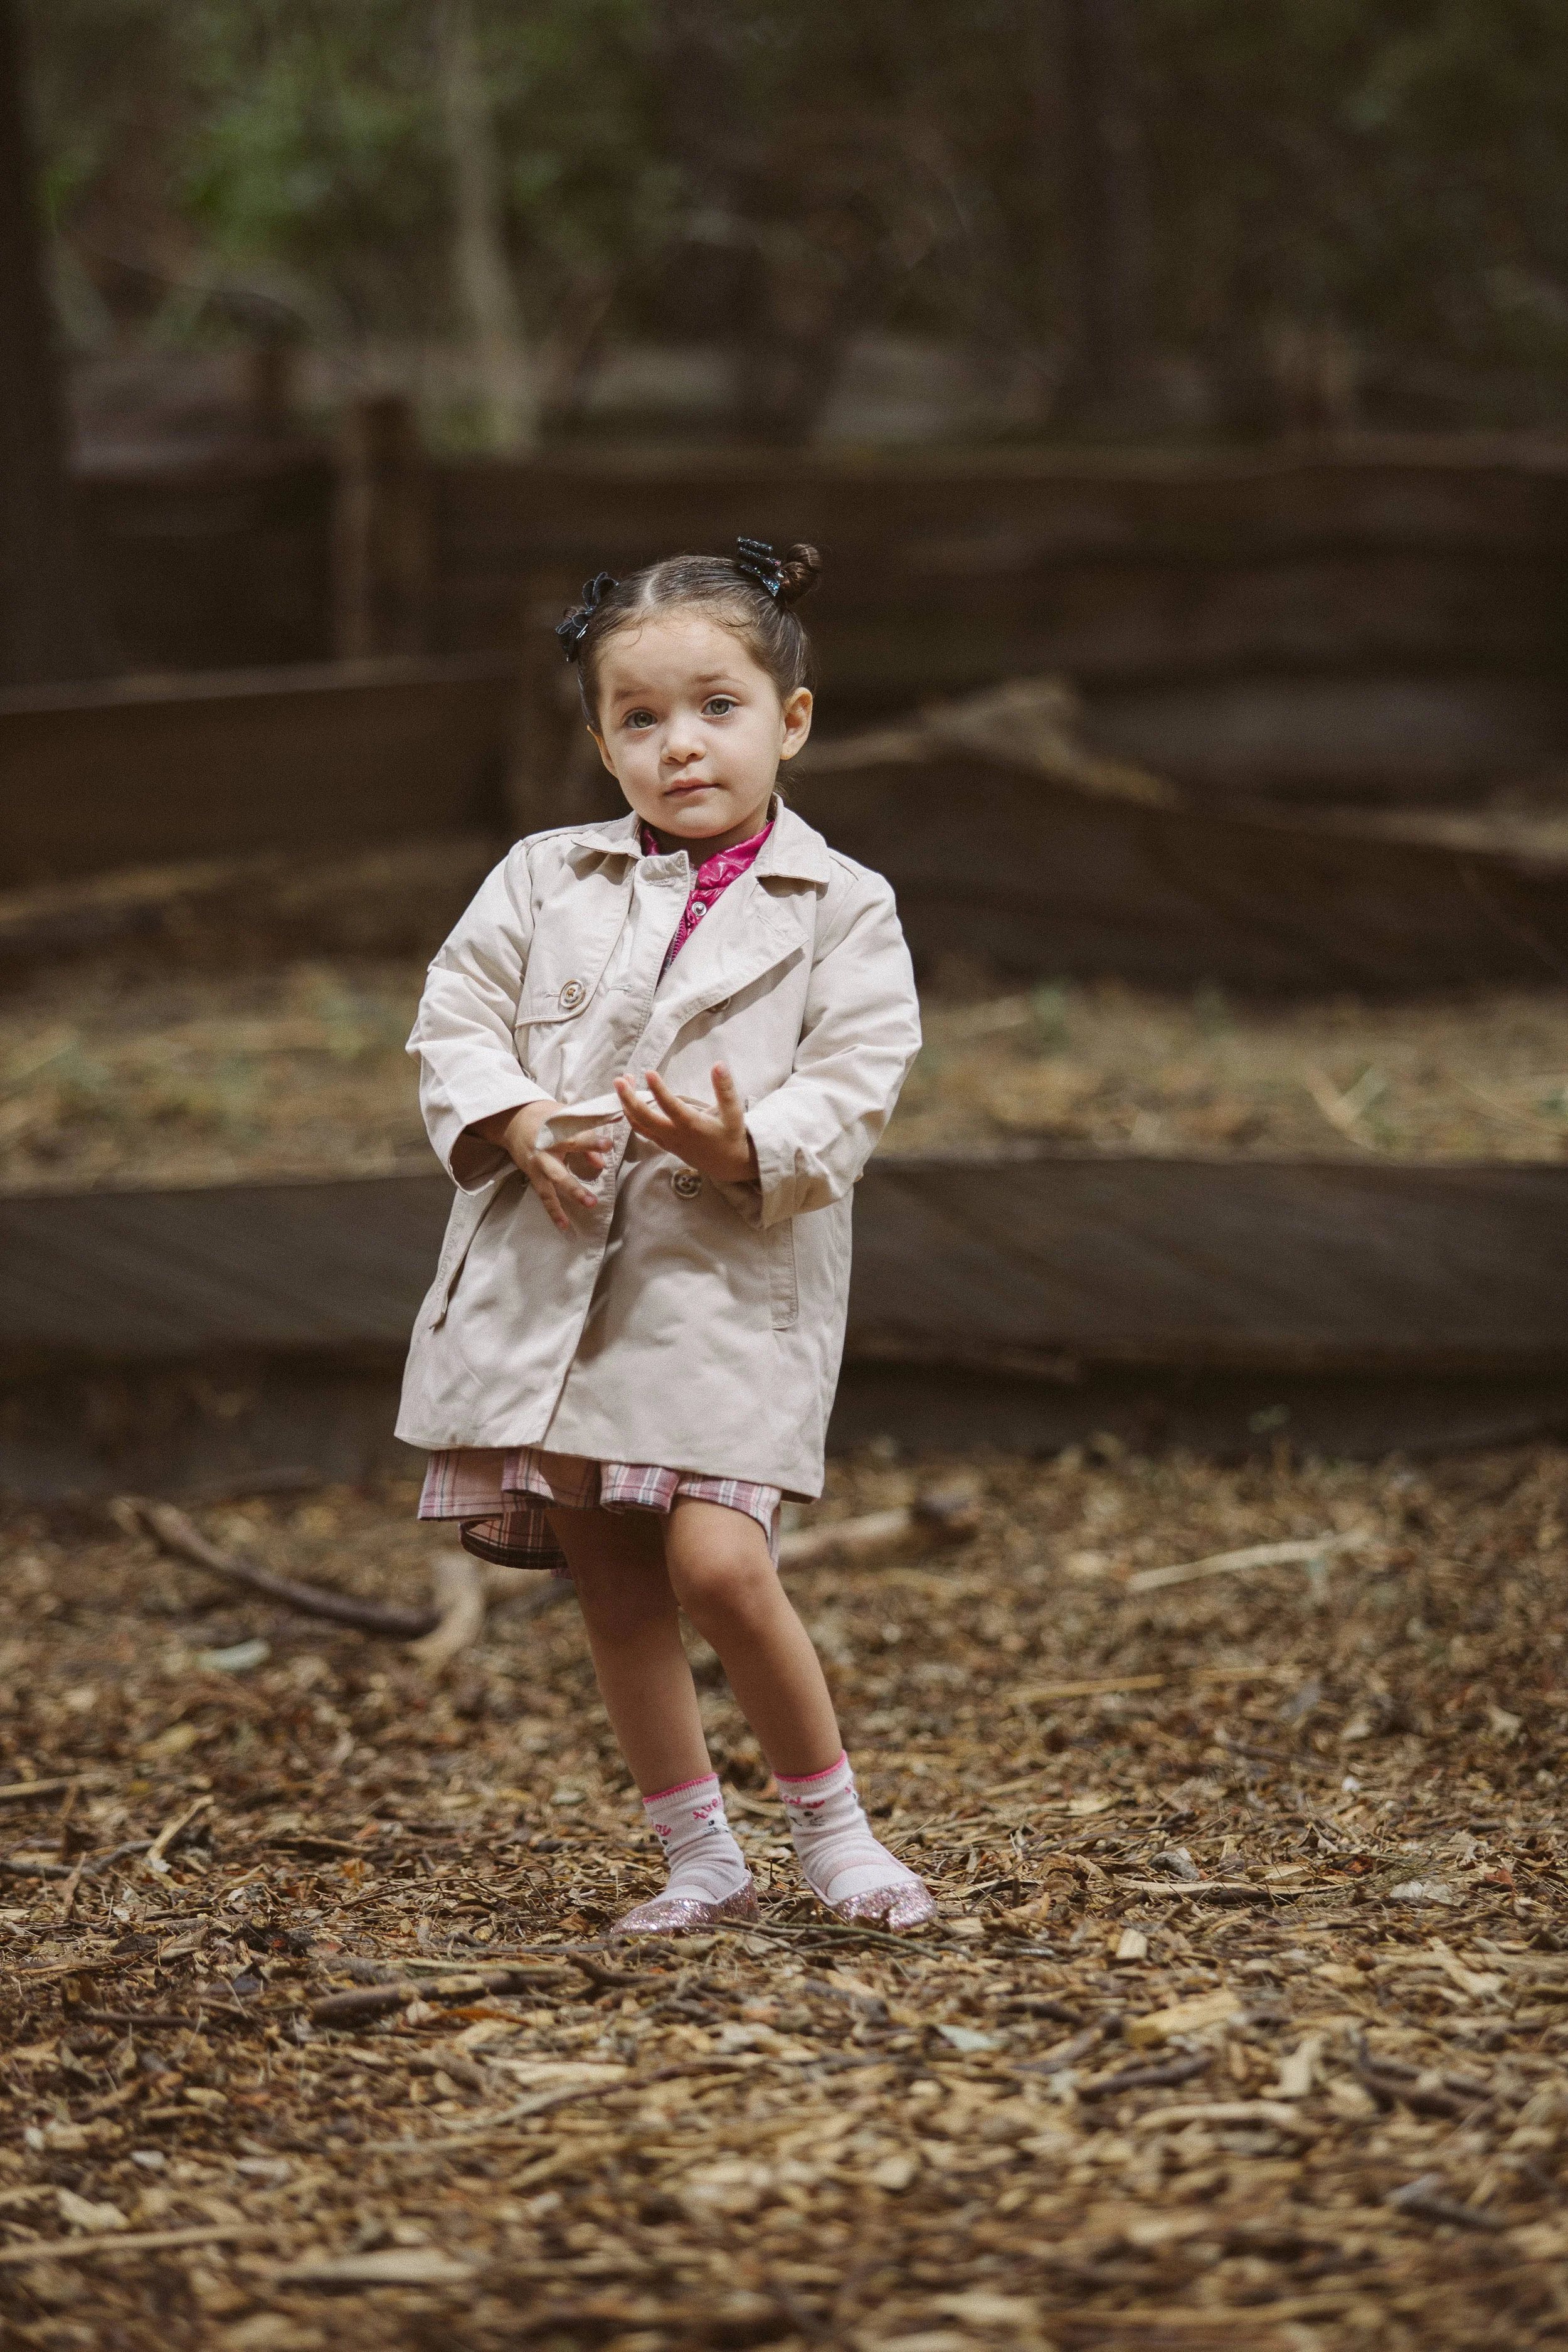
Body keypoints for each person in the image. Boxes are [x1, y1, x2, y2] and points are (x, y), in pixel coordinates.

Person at [398, 537, 936, 1935]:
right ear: (599, 741)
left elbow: (857, 1076)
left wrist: (746, 1143)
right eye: (639, 720)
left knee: (715, 1562)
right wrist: (514, 1120)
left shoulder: (842, 907)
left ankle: (834, 1830)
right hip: (559, 1277)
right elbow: (453, 1019)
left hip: (722, 1281)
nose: (678, 746)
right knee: (615, 1578)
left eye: (715, 708)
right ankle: (698, 1853)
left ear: (790, 721)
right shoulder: (541, 879)